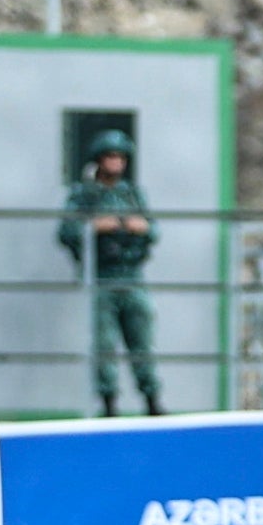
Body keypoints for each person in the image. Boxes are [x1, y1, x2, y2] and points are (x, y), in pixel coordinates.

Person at [57, 135, 163, 416]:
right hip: (102, 276)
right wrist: (94, 227)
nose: (115, 162)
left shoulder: (132, 194)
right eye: (109, 156)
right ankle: (108, 403)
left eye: (120, 157)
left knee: (141, 340)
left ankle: (152, 399)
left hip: (131, 276)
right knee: (104, 344)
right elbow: (66, 232)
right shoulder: (85, 194)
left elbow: (153, 230)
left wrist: (138, 227)